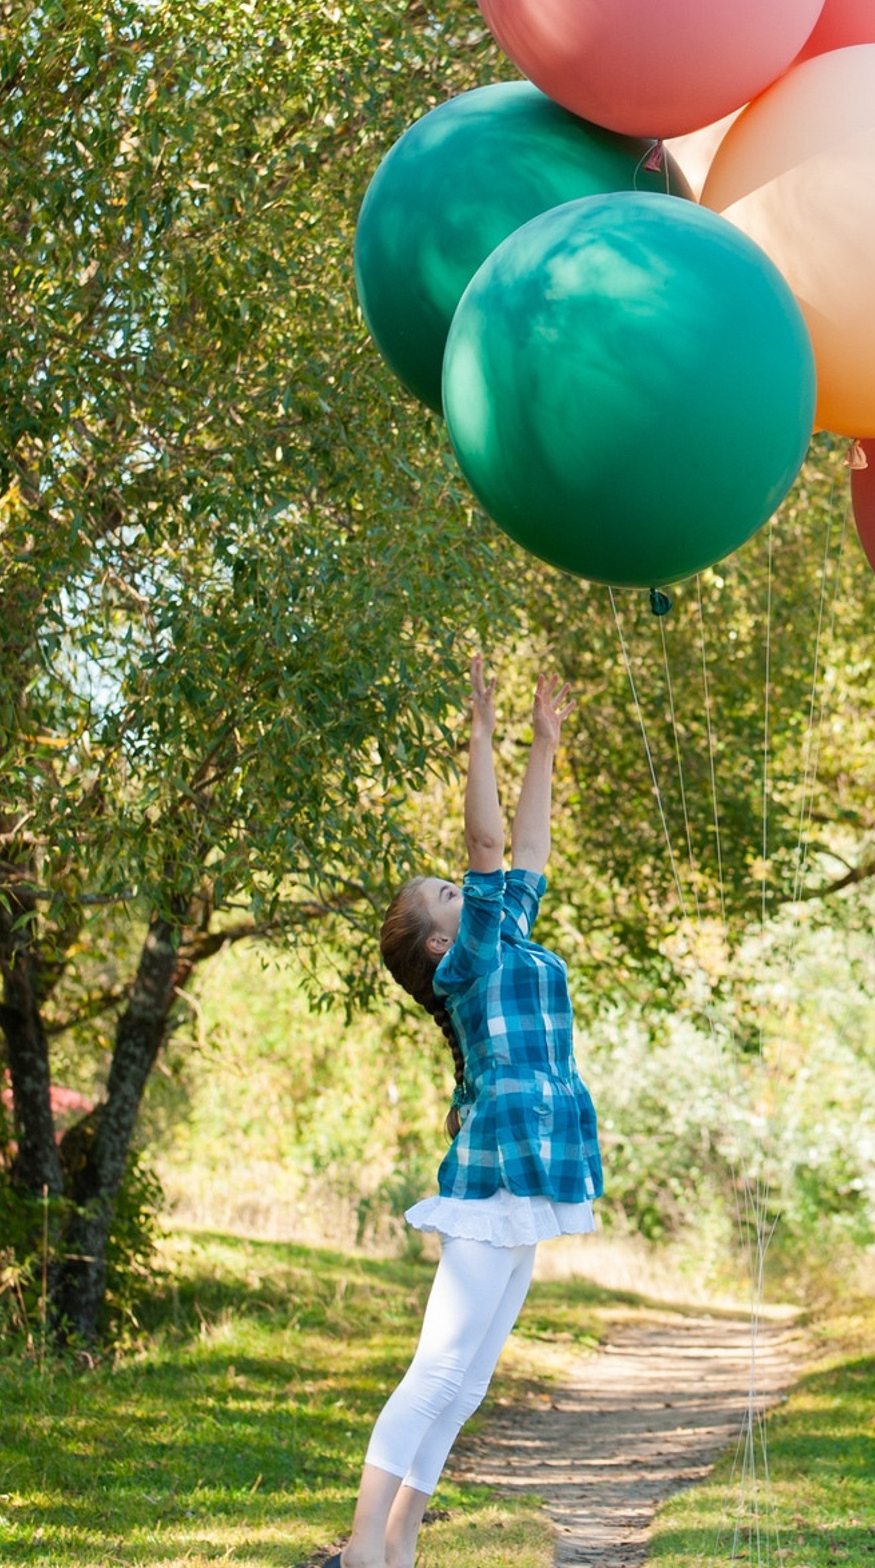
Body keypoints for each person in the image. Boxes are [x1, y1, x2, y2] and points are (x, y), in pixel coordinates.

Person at [324, 656, 600, 1568]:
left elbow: (523, 852)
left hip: (529, 1172)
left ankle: (400, 1541)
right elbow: (488, 853)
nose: (464, 884)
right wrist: (481, 735)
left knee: (471, 1379)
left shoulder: (507, 931)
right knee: (439, 1368)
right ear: (442, 939)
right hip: (492, 1182)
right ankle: (366, 1545)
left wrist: (545, 747)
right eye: (447, 894)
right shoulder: (465, 964)